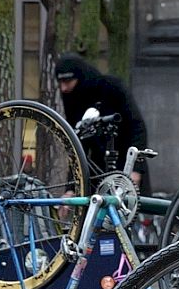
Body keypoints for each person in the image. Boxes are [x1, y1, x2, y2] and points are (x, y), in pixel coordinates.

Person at [55, 55, 151, 189]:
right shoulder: (72, 98)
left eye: (68, 81)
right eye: (61, 83)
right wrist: (72, 187)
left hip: (126, 158)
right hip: (98, 165)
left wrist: (136, 169)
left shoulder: (112, 88)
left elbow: (136, 127)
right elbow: (77, 143)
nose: (63, 88)